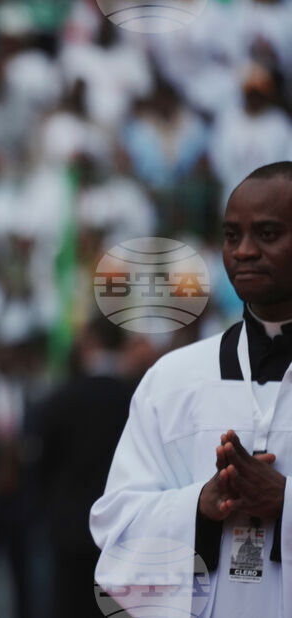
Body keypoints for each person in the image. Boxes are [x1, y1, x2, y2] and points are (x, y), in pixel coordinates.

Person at [91, 161, 292, 616]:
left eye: (266, 234)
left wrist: (285, 502)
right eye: (230, 235)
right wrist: (198, 507)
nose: (242, 251)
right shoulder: (173, 379)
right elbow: (115, 529)